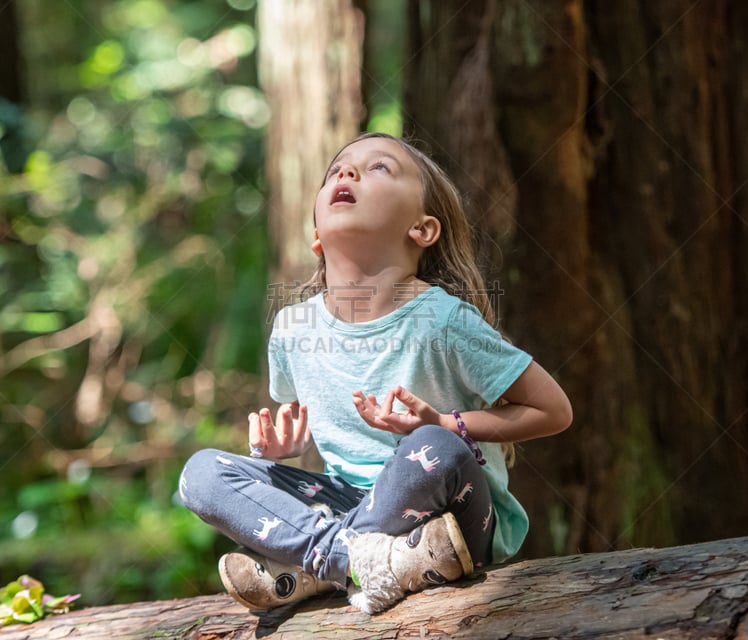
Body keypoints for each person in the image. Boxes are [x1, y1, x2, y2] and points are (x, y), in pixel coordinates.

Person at [178, 132, 573, 614]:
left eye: (379, 168)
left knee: (434, 448)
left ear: (423, 229)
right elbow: (314, 427)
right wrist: (285, 454)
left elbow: (554, 410)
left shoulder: (442, 321)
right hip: (348, 505)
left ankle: (310, 567)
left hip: (455, 516)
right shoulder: (294, 328)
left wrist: (448, 425)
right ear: (318, 237)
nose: (346, 174)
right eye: (336, 171)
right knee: (200, 474)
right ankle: (352, 560)